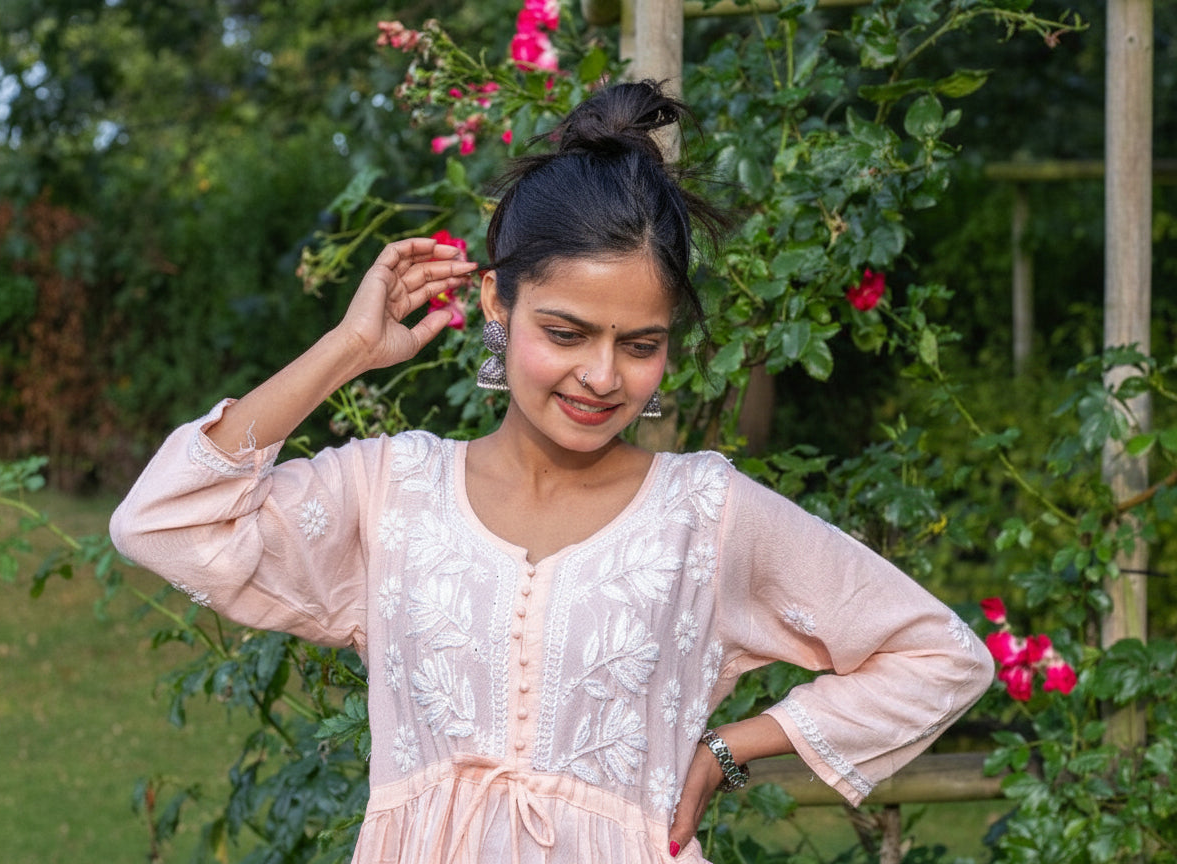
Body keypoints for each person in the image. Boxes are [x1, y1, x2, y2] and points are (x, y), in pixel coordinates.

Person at [111, 80, 994, 864]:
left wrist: (730, 750)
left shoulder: (703, 513)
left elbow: (940, 656)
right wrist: (347, 351)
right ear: (496, 299)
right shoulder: (390, 494)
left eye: (640, 345)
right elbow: (163, 524)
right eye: (567, 333)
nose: (603, 376)